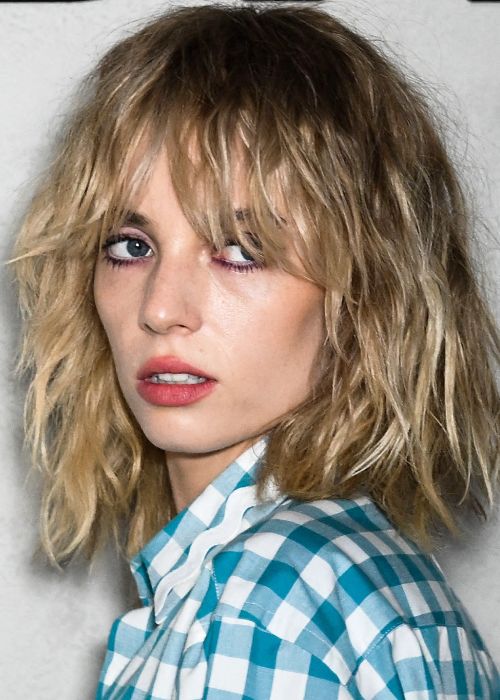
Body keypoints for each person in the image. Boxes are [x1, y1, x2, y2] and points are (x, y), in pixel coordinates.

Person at [12, 3, 499, 698]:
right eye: (130, 245)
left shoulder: (261, 609)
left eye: (240, 251)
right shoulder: (361, 576)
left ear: (370, 292)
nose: (160, 309)